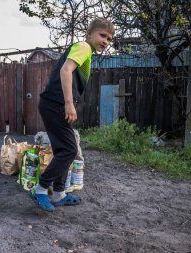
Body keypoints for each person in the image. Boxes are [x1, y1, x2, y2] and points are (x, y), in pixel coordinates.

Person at [30, 18, 115, 211]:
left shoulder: (87, 51)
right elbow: (66, 70)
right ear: (89, 33)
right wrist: (69, 103)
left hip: (52, 104)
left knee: (64, 150)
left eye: (109, 39)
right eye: (102, 35)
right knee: (69, 150)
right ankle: (41, 189)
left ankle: (59, 193)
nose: (105, 41)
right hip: (55, 104)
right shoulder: (84, 47)